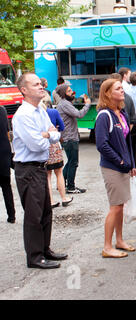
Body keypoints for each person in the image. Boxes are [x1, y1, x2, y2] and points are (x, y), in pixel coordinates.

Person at [12, 72, 67, 269]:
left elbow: (55, 133)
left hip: (40, 168)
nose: (41, 86)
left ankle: (45, 249)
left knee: (46, 212)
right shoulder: (23, 115)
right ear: (24, 90)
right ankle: (35, 257)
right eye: (35, 85)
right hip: (28, 170)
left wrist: (47, 134)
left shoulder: (41, 110)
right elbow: (36, 145)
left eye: (40, 83)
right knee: (34, 215)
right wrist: (47, 135)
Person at [95, 78, 136, 258]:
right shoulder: (104, 116)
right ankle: (107, 247)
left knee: (120, 205)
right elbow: (101, 145)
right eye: (118, 88)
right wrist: (120, 162)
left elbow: (128, 142)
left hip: (124, 167)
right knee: (115, 207)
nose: (122, 91)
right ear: (107, 93)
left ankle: (119, 241)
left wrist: (132, 165)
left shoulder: (122, 113)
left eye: (122, 88)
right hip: (112, 168)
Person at [56, 84, 91, 194]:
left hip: (68, 137)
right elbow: (79, 114)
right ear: (63, 93)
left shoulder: (64, 103)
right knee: (73, 162)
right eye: (69, 90)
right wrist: (87, 105)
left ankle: (61, 183)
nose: (72, 92)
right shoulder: (65, 104)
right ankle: (71, 187)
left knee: (70, 161)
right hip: (70, 137)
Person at [40, 101, 73, 209]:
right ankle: (64, 198)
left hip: (44, 146)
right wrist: (55, 129)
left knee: (48, 175)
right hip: (54, 145)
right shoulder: (53, 112)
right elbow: (62, 127)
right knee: (59, 173)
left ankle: (51, 201)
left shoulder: (33, 118)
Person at [0, 105, 15, 223]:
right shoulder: (2, 110)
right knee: (6, 186)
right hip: (3, 152)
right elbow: (7, 132)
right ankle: (11, 215)